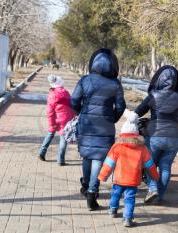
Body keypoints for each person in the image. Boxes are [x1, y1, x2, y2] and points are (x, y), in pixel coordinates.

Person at [71, 48, 126, 210]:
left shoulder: (85, 80)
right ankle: (92, 192)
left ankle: (87, 185)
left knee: (87, 155)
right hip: (105, 126)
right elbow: (121, 106)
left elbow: (74, 100)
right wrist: (112, 118)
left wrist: (82, 113)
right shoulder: (115, 84)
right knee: (98, 158)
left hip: (86, 124)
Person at [132, 65, 178, 204]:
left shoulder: (154, 96)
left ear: (159, 79)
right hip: (174, 137)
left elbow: (139, 111)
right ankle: (160, 196)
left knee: (149, 164)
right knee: (166, 167)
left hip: (155, 136)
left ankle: (153, 188)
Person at [98, 114, 159, 227]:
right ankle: (127, 218)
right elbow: (150, 164)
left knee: (115, 194)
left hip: (119, 179)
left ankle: (113, 209)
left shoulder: (117, 146)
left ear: (123, 133)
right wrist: (155, 175)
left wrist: (103, 175)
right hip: (133, 179)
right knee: (130, 198)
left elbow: (109, 163)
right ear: (136, 134)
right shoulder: (143, 148)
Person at [39, 75, 74, 164]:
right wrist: (72, 117)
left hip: (55, 119)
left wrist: (51, 123)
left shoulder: (52, 95)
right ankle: (60, 160)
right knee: (63, 138)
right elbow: (71, 106)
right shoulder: (66, 92)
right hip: (66, 119)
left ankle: (42, 152)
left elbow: (49, 111)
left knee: (50, 134)